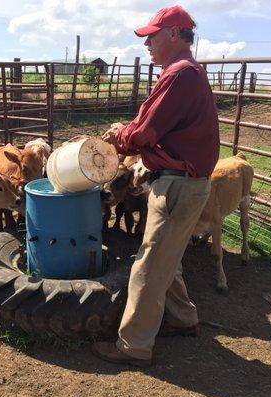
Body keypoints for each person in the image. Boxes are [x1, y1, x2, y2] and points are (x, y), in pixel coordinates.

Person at [92, 4, 220, 367]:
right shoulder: (183, 73)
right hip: (183, 182)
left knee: (148, 264)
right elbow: (150, 122)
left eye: (152, 36)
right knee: (167, 256)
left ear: (175, 35)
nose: (147, 43)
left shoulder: (180, 74)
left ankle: (133, 345)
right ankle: (183, 319)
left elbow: (145, 132)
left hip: (177, 185)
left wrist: (121, 135)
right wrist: (127, 131)